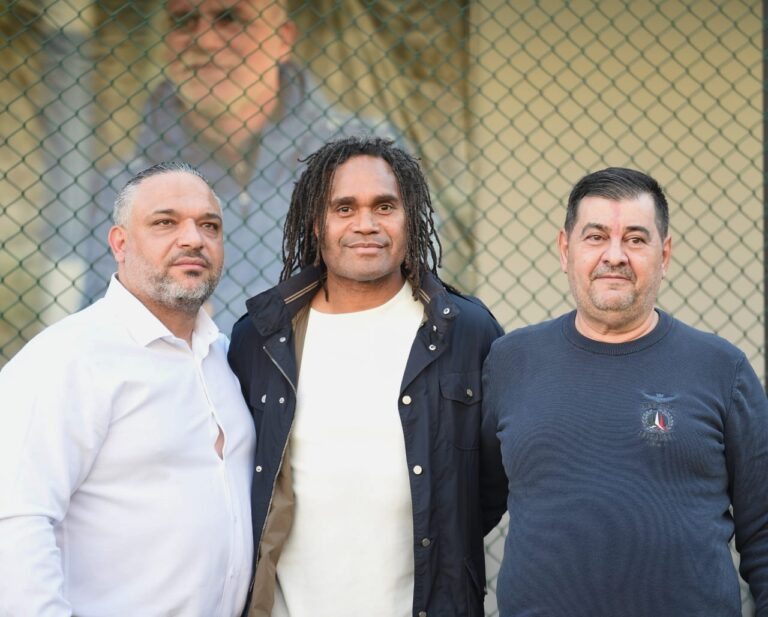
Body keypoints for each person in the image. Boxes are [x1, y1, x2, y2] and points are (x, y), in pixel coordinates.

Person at [228, 136, 504, 617]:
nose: (366, 224)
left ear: (409, 217)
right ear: (317, 223)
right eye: (344, 208)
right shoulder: (260, 338)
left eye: (384, 206)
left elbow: (492, 481)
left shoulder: (465, 331)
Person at [480, 167, 768, 616]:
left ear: (664, 254)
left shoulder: (722, 369)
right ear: (565, 250)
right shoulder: (511, 361)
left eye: (635, 239)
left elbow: (763, 530)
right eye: (596, 237)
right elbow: (473, 506)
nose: (614, 256)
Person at [0, 162, 256, 616]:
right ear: (120, 244)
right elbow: (16, 520)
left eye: (209, 226)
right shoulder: (68, 359)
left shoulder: (224, 358)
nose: (194, 239)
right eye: (165, 222)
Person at [83, 0, 397, 335]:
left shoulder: (367, 157)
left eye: (230, 18)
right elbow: (106, 333)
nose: (204, 40)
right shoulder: (124, 187)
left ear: (282, 38)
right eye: (184, 20)